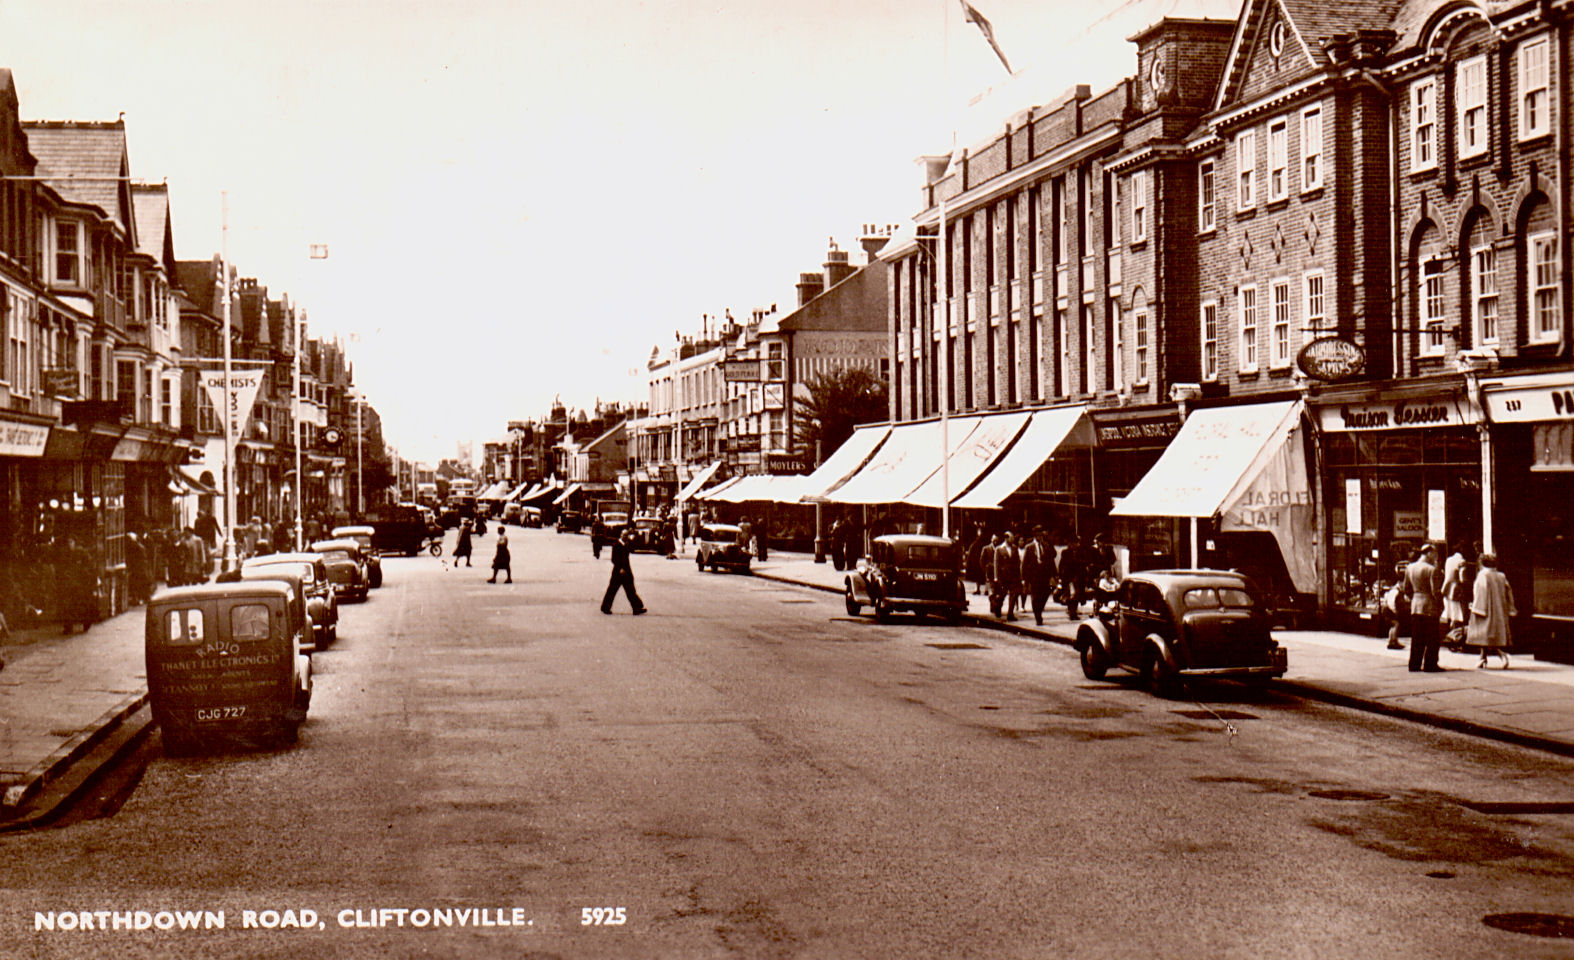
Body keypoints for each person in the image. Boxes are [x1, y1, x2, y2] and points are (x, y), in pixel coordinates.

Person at [1466, 552, 1514, 669]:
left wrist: (1475, 606)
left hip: (1486, 608)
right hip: (1499, 609)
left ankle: (1496, 655)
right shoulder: (1501, 576)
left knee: (1483, 634)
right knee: (1490, 635)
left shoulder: (1483, 575)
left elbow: (1480, 591)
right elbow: (1509, 592)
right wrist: (1510, 607)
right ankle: (1483, 658)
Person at [1402, 543, 1444, 672]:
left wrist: (1414, 598)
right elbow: (1435, 590)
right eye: (1435, 554)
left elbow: (1406, 588)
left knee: (1417, 637)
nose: (1436, 557)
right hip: (1429, 606)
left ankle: (1414, 664)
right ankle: (1430, 664)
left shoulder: (1410, 568)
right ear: (1429, 553)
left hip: (1416, 605)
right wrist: (1440, 604)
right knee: (1432, 638)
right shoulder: (1432, 570)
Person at [601, 526, 646, 615]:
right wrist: (620, 568)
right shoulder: (616, 545)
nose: (626, 537)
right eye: (624, 535)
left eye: (627, 535)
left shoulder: (627, 544)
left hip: (627, 571)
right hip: (618, 572)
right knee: (612, 590)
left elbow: (634, 547)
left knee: (631, 590)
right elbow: (614, 559)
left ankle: (636, 608)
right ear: (621, 535)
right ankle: (605, 607)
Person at [1020, 527, 1057, 626]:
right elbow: (1024, 564)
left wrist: (1054, 575)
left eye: (1041, 535)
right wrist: (1024, 579)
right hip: (1034, 576)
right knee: (1035, 597)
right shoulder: (1029, 547)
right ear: (1035, 535)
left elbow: (1051, 561)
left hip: (1044, 575)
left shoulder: (1046, 546)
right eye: (1038, 535)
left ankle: (1039, 610)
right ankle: (1038, 616)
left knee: (1045, 594)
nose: (1040, 537)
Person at [1441, 541, 1472, 641]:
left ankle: (1448, 634)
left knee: (1449, 612)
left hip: (1446, 588)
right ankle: (1454, 637)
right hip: (1457, 590)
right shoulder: (1462, 561)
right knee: (1458, 614)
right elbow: (1462, 578)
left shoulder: (1449, 560)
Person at [990, 532, 1019, 621]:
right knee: (1002, 595)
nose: (1013, 539)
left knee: (1014, 594)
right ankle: (997, 608)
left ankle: (1010, 613)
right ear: (1006, 539)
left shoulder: (1015, 548)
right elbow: (996, 564)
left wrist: (1019, 575)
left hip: (1013, 576)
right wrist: (996, 577)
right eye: (1011, 538)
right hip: (1003, 577)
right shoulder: (999, 549)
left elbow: (1017, 563)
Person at [1060, 536, 1086, 620]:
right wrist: (1061, 576)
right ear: (1070, 544)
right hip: (1069, 578)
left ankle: (1074, 611)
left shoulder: (1080, 552)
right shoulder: (1065, 552)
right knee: (1071, 595)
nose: (1076, 545)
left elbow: (1083, 563)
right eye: (1074, 543)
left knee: (1077, 595)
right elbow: (1064, 564)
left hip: (1078, 577)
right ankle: (1071, 612)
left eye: (1077, 543)